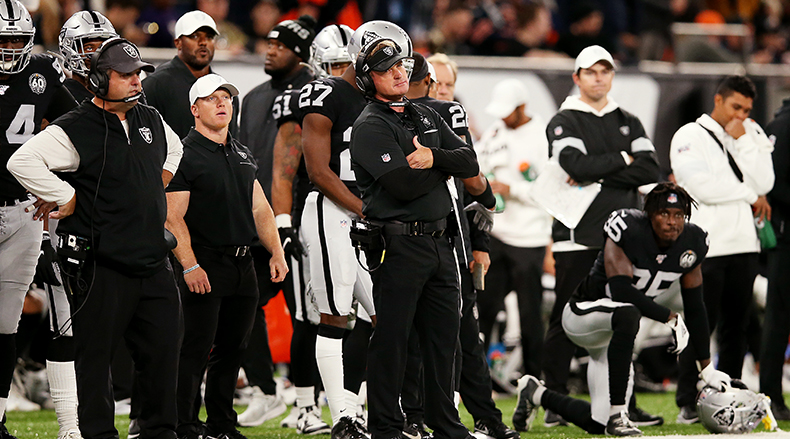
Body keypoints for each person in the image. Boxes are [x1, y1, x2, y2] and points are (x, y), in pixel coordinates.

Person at [7, 37, 183, 439]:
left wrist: (151, 186)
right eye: (126, 75)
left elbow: (175, 151)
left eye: (139, 74)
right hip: (102, 266)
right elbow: (22, 160)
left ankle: (159, 432)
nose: (137, 81)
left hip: (154, 263)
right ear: (100, 79)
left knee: (162, 357)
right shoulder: (75, 125)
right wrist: (64, 194)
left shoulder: (151, 118)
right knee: (96, 361)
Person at [511, 182, 731, 436]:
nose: (672, 222)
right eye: (664, 214)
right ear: (650, 215)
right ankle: (618, 415)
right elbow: (620, 290)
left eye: (679, 215)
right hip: (583, 314)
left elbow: (695, 307)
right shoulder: (629, 229)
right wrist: (669, 317)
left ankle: (536, 393)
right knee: (627, 312)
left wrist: (706, 369)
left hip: (614, 336)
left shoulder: (693, 242)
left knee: (598, 423)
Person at [349, 38, 479, 439]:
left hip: (442, 242)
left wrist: (433, 157)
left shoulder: (424, 113)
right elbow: (403, 186)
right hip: (398, 245)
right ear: (368, 80)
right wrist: (446, 166)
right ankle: (386, 427)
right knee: (393, 340)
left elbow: (470, 161)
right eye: (386, 69)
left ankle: (445, 424)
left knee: (444, 341)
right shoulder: (369, 125)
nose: (398, 73)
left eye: (400, 66)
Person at [540, 44, 661, 428]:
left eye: (604, 71)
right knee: (565, 318)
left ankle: (625, 403)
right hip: (577, 234)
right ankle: (555, 401)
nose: (598, 78)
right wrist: (624, 159)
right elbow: (574, 164)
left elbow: (650, 169)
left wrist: (602, 173)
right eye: (590, 72)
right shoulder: (565, 119)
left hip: (622, 238)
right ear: (577, 77)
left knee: (625, 318)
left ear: (612, 75)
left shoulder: (628, 119)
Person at [165, 73, 287, 439]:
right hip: (204, 260)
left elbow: (260, 207)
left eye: (227, 97)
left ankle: (221, 425)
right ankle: (185, 426)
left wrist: (276, 251)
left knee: (233, 350)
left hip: (242, 262)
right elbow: (172, 216)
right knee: (194, 349)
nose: (222, 103)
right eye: (212, 98)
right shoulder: (183, 153)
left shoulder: (240, 151)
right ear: (194, 109)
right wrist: (190, 265)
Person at [404, 52, 516, 439]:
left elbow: (473, 185)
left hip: (455, 241)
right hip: (415, 236)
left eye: (448, 85)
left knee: (466, 333)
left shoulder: (452, 118)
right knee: (414, 334)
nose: (442, 91)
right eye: (437, 84)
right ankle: (415, 414)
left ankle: (482, 414)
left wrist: (480, 243)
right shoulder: (400, 117)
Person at [299, 22, 395, 439]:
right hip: (333, 209)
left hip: (368, 214)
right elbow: (318, 171)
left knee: (386, 317)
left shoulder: (384, 100)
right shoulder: (328, 92)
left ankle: (364, 410)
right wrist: (365, 210)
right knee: (335, 315)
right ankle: (341, 417)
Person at [670, 75, 775, 423]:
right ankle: (687, 400)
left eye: (746, 109)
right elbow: (699, 187)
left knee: (737, 327)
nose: (740, 115)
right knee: (701, 325)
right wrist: (749, 195)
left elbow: (766, 181)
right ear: (718, 100)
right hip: (707, 245)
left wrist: (743, 142)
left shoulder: (750, 132)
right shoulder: (689, 135)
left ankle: (728, 397)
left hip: (745, 244)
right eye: (735, 107)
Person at [267, 24, 354, 435]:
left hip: (356, 217)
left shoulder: (367, 97)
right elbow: (284, 170)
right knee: (310, 315)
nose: (340, 72)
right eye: (334, 65)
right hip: (313, 215)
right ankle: (305, 406)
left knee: (358, 316)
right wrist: (283, 223)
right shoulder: (304, 99)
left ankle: (350, 402)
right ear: (318, 64)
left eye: (346, 64)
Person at [0, 1, 77, 437]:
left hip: (23, 210)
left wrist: (54, 186)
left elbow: (77, 128)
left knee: (5, 324)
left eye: (17, 40)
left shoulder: (43, 72)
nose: (11, 48)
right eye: (3, 40)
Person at [236, 14, 316, 427]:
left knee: (308, 314)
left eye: (280, 46)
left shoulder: (316, 94)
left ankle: (309, 400)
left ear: (300, 53)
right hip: (256, 223)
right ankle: (266, 392)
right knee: (244, 307)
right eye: (268, 43)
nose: (270, 51)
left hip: (301, 223)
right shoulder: (252, 98)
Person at [474, 78, 552, 379]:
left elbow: (550, 189)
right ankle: (474, 379)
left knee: (530, 313)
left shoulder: (543, 137)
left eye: (507, 111)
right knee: (483, 308)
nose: (503, 117)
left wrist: (512, 188)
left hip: (529, 238)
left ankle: (535, 380)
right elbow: (477, 163)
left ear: (522, 107)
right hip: (496, 234)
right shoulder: (495, 132)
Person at [142, 10, 238, 139]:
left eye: (209, 37)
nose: (203, 42)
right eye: (195, 36)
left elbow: (232, 142)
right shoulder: (156, 84)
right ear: (178, 43)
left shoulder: (225, 90)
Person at [760, 97, 790, 421]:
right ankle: (770, 395)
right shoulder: (783, 125)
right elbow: (773, 183)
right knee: (778, 319)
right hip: (785, 238)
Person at [59, 11, 119, 103]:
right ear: (69, 50)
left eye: (103, 47)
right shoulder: (62, 96)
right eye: (89, 48)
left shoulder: (119, 93)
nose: (99, 54)